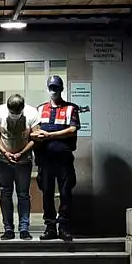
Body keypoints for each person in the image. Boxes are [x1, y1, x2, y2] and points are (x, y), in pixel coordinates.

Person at [32, 75, 81, 241]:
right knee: (47, 192)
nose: (53, 91)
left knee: (65, 192)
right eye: (51, 88)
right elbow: (35, 130)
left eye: (56, 88)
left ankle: (64, 227)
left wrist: (49, 135)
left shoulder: (71, 108)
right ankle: (50, 227)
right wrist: (37, 135)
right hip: (45, 159)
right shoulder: (40, 109)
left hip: (63, 158)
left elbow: (72, 130)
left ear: (61, 89)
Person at [0, 94, 40, 240]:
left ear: (22, 109)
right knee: (5, 193)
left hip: (23, 160)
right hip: (3, 159)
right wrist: (5, 152)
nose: (14, 115)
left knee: (23, 194)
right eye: (12, 112)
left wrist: (21, 153)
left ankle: (24, 229)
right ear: (8, 108)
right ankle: (8, 229)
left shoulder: (32, 113)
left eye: (17, 113)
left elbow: (36, 137)